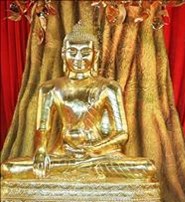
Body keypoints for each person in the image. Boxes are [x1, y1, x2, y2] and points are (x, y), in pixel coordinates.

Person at [1, 22, 156, 181]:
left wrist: (94, 150)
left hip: (101, 157)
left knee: (146, 168)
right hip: (64, 155)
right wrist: (40, 151)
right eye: (72, 52)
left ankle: (78, 175)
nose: (78, 58)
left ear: (95, 54)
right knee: (9, 168)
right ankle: (80, 175)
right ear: (63, 54)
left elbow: (122, 133)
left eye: (85, 52)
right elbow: (42, 127)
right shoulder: (50, 88)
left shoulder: (108, 88)